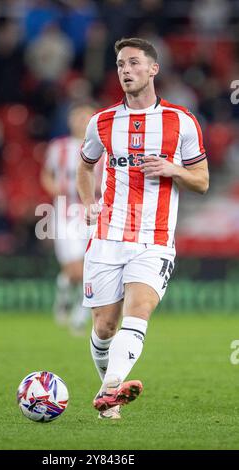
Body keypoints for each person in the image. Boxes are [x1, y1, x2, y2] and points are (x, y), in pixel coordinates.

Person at [76, 37, 209, 419]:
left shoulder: (181, 121)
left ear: (153, 69)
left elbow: (201, 181)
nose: (126, 70)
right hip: (106, 235)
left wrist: (173, 169)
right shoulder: (101, 122)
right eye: (120, 64)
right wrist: (88, 202)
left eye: (134, 63)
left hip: (155, 238)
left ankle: (110, 391)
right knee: (104, 326)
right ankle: (109, 398)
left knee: (140, 309)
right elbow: (85, 166)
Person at [41, 102, 103, 334]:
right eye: (78, 117)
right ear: (70, 121)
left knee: (92, 268)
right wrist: (54, 188)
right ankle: (64, 289)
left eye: (87, 117)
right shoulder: (59, 147)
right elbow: (46, 175)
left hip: (93, 212)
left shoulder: (104, 149)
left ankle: (79, 314)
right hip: (65, 214)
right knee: (75, 271)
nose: (82, 122)